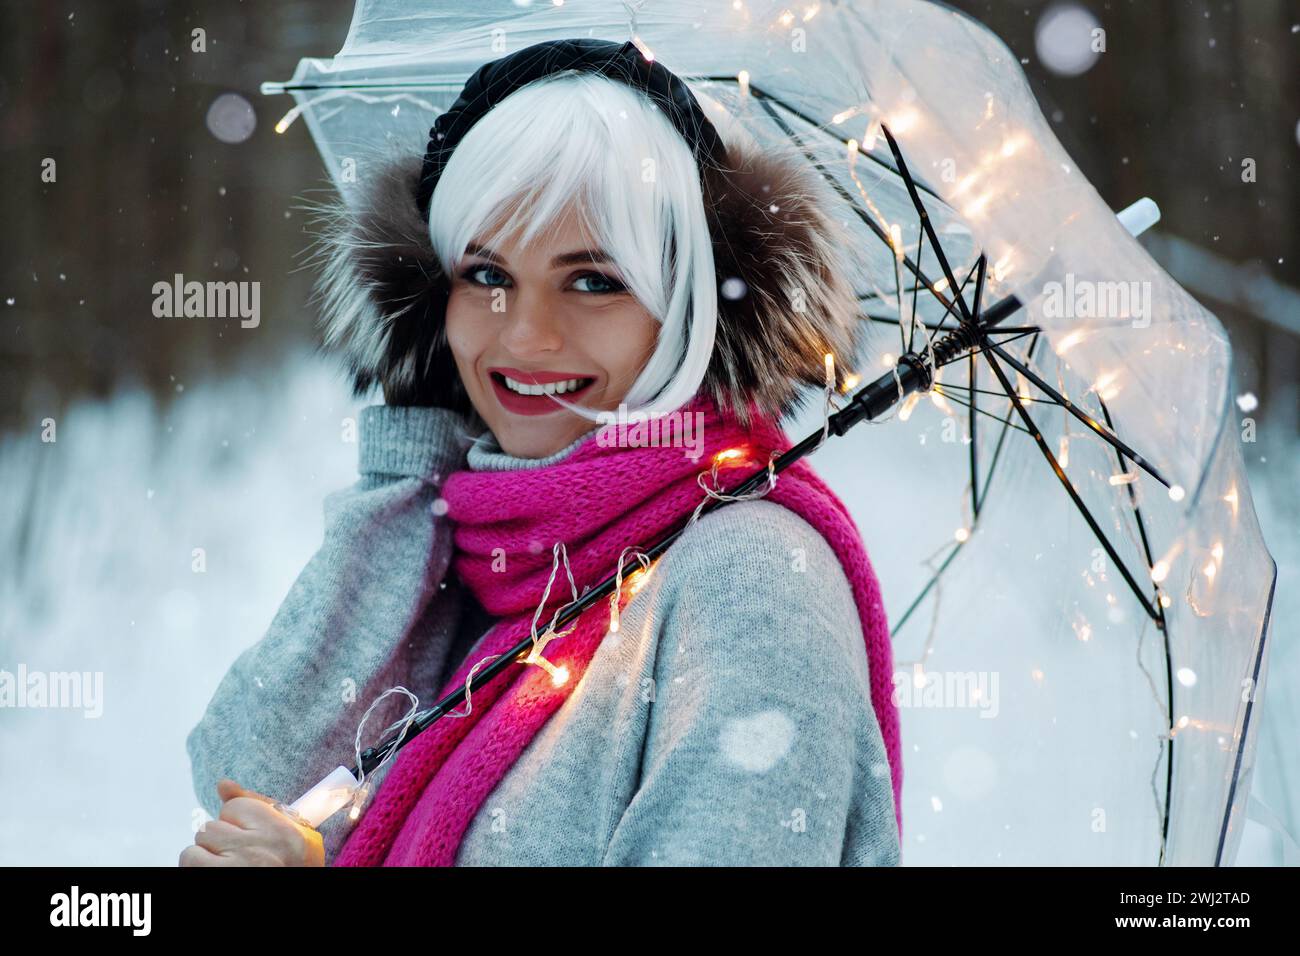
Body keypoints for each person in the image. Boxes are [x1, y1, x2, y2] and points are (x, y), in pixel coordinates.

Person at [181, 38, 902, 867]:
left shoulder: (751, 583)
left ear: (687, 306)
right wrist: (411, 466)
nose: (524, 334)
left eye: (594, 280)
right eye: (486, 274)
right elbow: (251, 771)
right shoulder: (491, 542)